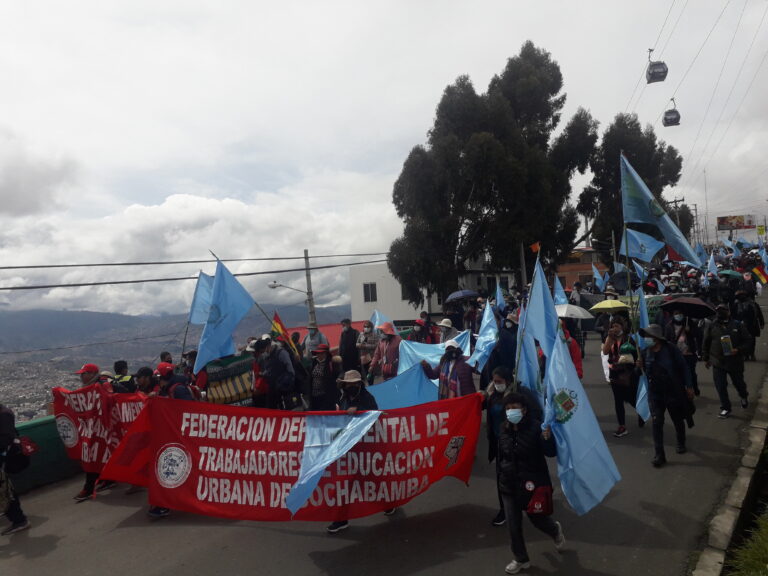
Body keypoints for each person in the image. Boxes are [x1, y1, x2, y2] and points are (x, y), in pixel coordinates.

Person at [497, 392, 564, 574]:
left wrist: (547, 437)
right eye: (508, 408)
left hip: (532, 485)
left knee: (538, 520)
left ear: (524, 410)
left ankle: (554, 530)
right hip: (509, 485)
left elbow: (550, 453)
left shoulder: (536, 428)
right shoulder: (503, 429)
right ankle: (521, 559)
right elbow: (501, 457)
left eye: (515, 408)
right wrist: (501, 480)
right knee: (513, 525)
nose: (511, 412)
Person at [484, 366, 543, 528]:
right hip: (501, 443)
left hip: (521, 441)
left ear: (508, 381)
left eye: (499, 382)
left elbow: (536, 412)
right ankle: (505, 510)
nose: (496, 384)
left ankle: (537, 500)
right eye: (494, 381)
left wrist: (528, 430)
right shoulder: (492, 395)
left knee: (526, 475)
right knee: (502, 477)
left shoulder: (521, 393)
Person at [326, 370, 384, 534]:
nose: (351, 386)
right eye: (348, 384)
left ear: (359, 384)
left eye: (354, 384)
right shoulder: (343, 397)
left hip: (365, 447)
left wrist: (358, 410)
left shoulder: (367, 398)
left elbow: (375, 416)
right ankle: (340, 519)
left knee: (375, 480)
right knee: (344, 484)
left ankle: (389, 503)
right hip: (347, 447)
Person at [638, 325, 694, 467]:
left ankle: (681, 442)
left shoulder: (670, 349)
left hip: (673, 391)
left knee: (677, 420)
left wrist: (689, 385)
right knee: (657, 423)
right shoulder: (645, 353)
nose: (646, 339)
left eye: (648, 336)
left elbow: (683, 367)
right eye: (644, 336)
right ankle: (659, 455)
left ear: (656, 338)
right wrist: (639, 365)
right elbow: (644, 372)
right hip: (655, 393)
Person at [72, 363, 114, 502]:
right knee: (97, 455)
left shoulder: (102, 385)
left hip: (104, 428)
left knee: (94, 455)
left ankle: (89, 488)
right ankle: (107, 479)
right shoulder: (87, 389)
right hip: (93, 429)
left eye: (83, 374)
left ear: (91, 374)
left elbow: (112, 399)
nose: (81, 377)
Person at [702, 304, 751, 418]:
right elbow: (706, 342)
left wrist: (738, 350)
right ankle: (725, 407)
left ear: (728, 312)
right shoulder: (712, 326)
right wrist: (706, 358)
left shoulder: (738, 325)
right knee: (720, 386)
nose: (720, 313)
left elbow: (748, 341)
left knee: (739, 384)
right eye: (718, 311)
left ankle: (743, 396)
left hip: (735, 361)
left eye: (723, 310)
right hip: (718, 361)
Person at [601, 318, 640, 438]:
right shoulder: (610, 338)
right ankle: (622, 426)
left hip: (627, 373)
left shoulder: (629, 339)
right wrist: (609, 338)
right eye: (612, 326)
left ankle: (642, 412)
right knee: (618, 401)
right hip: (615, 373)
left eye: (617, 326)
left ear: (622, 327)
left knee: (631, 398)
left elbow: (636, 355)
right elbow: (605, 351)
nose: (614, 328)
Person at [0, 403, 30, 535]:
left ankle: (19, 520)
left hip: (4, 457)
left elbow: (5, 439)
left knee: (5, 490)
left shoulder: (4, 415)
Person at [664, 309, 702, 396]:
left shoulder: (689, 323)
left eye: (680, 313)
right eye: (676, 313)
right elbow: (666, 340)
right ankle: (683, 391)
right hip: (676, 354)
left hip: (689, 354)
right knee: (678, 374)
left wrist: (690, 331)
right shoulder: (669, 326)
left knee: (691, 373)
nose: (678, 315)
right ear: (673, 315)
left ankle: (694, 388)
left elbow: (699, 334)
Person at [254, 336, 298, 410]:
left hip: (284, 386)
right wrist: (263, 374)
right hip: (273, 386)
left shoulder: (281, 353)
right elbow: (269, 369)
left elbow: (290, 369)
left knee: (288, 408)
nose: (263, 353)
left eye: (263, 351)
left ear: (268, 346)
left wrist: (287, 381)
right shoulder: (266, 356)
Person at [733, 290, 764, 361]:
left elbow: (759, 314)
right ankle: (746, 355)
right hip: (741, 325)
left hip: (751, 325)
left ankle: (751, 354)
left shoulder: (753, 304)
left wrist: (761, 323)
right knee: (743, 340)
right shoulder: (736, 304)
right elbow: (733, 315)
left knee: (752, 340)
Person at [308, 344, 342, 411]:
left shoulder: (332, 363)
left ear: (326, 353)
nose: (319, 355)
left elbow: (337, 377)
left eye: (321, 353)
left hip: (326, 397)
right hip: (314, 396)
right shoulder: (314, 362)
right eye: (318, 353)